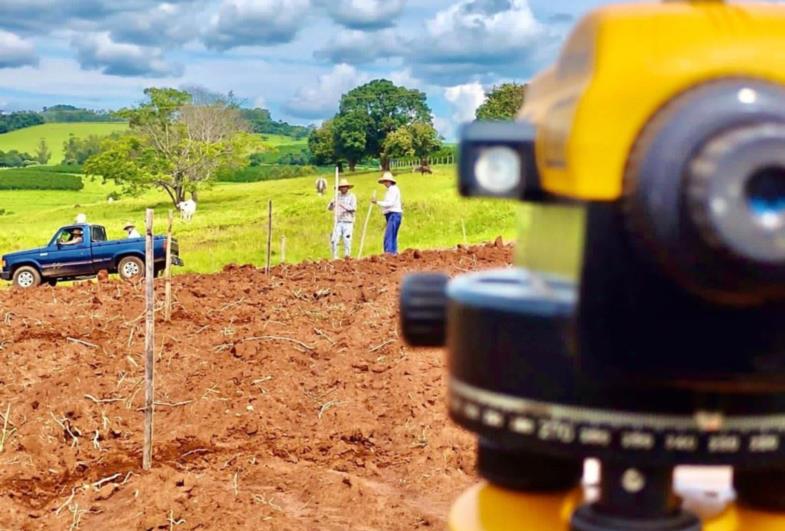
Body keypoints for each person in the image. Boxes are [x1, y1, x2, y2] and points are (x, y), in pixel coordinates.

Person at [372, 171, 403, 255]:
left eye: (386, 181)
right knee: (392, 235)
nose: (385, 183)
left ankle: (389, 253)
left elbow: (390, 203)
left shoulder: (393, 189)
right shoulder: (390, 190)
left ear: (390, 181)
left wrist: (377, 202)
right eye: (384, 181)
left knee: (389, 235)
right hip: (391, 214)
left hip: (394, 214)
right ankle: (393, 253)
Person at [328, 178, 357, 259]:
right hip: (338, 221)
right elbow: (329, 208)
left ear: (347, 187)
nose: (343, 188)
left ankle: (347, 256)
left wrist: (341, 205)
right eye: (341, 187)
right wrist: (332, 204)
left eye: (345, 187)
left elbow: (353, 208)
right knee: (335, 239)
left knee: (347, 239)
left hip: (348, 221)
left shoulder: (352, 196)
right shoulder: (336, 196)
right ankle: (335, 256)